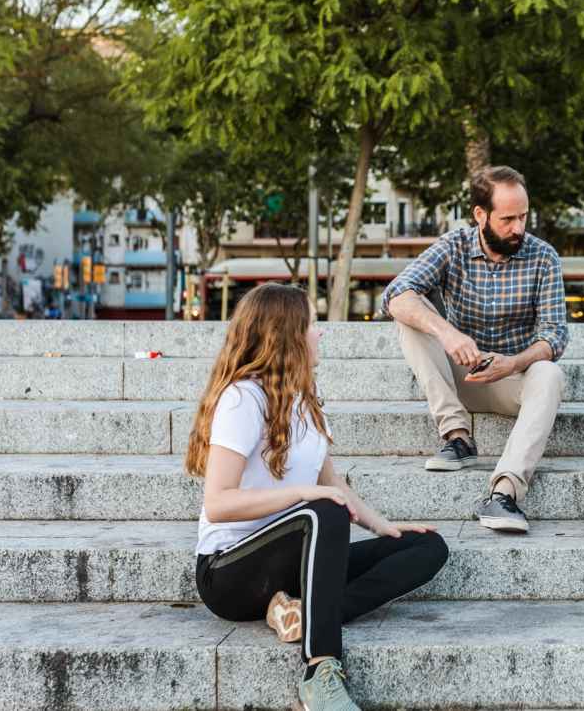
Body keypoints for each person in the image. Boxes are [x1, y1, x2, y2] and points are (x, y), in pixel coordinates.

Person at [187, 283, 448, 711]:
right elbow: (218, 503)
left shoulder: (304, 403)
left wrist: (384, 526)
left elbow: (335, 484)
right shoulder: (242, 399)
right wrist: (307, 494)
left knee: (427, 547)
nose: (319, 333)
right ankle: (319, 672)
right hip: (229, 571)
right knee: (322, 511)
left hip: (295, 567)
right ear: (286, 334)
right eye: (312, 324)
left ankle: (302, 614)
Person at [382, 165, 569, 533]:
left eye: (524, 217)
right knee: (411, 316)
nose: (519, 228)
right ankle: (457, 436)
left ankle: (504, 493)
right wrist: (448, 333)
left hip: (510, 380)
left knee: (550, 373)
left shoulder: (544, 257)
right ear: (480, 215)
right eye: (508, 219)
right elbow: (395, 295)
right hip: (459, 375)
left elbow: (555, 335)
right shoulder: (452, 246)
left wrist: (513, 362)